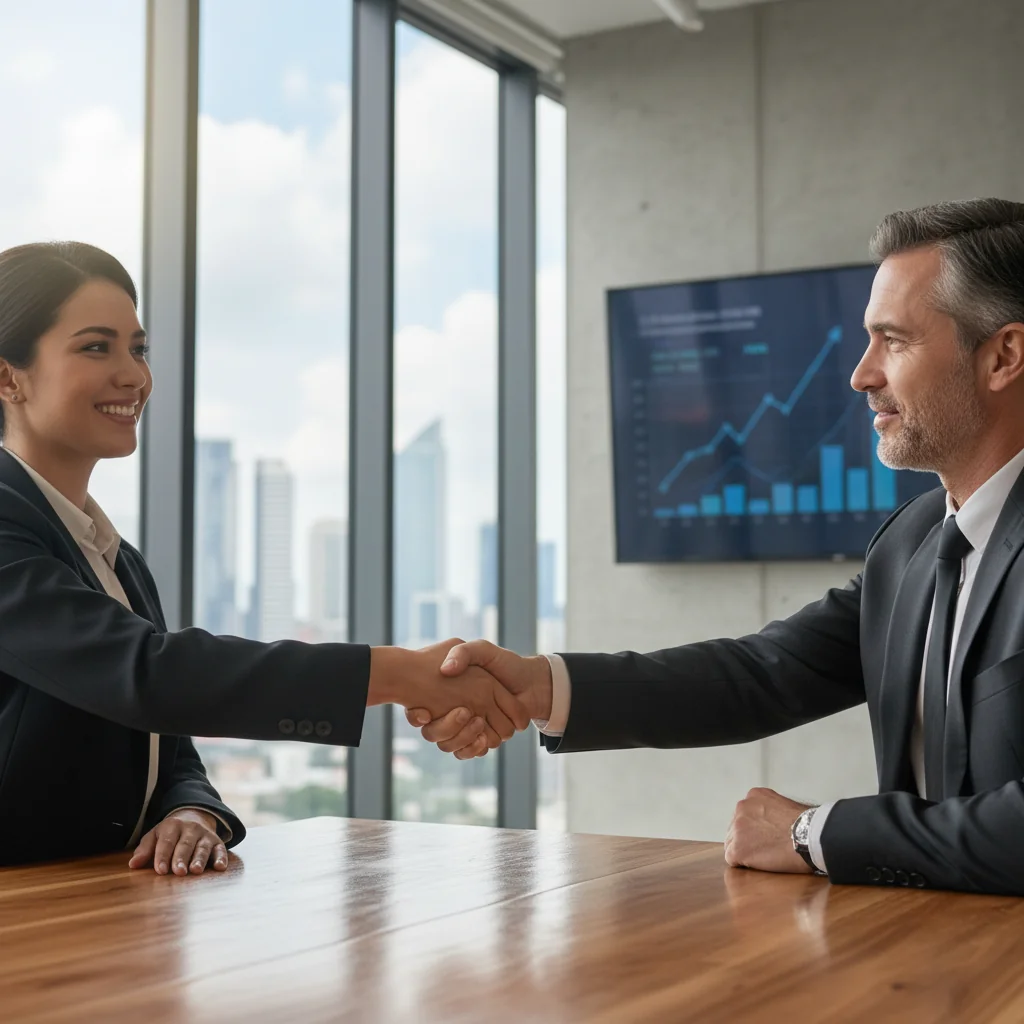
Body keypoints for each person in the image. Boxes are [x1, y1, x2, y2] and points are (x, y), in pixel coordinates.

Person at [410, 198, 1024, 896]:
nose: (862, 374)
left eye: (896, 341)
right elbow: (762, 673)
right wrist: (539, 686)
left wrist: (810, 834)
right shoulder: (913, 541)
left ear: (1003, 356)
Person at [0, 241, 529, 872]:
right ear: (8, 376)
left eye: (138, 349)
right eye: (96, 347)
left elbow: (170, 742)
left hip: (92, 917)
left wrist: (191, 812)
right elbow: (146, 674)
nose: (134, 376)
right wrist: (401, 674)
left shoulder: (115, 559)